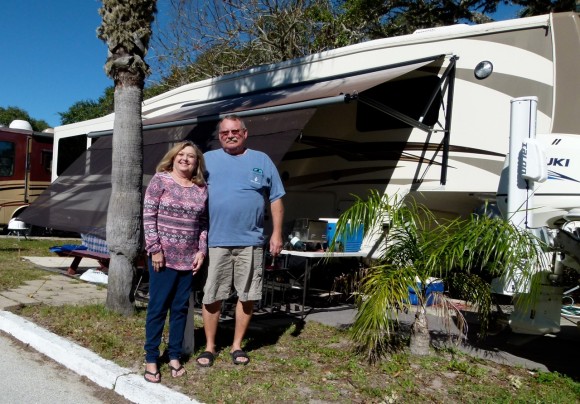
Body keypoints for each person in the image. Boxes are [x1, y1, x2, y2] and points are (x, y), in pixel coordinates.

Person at [197, 114, 284, 367]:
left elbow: (276, 198)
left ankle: (236, 346)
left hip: (251, 241)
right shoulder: (208, 160)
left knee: (247, 295)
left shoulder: (262, 160)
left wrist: (276, 233)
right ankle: (210, 347)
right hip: (216, 240)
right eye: (224, 133)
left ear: (245, 133)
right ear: (219, 136)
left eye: (235, 131)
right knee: (212, 295)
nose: (230, 135)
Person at [143, 141, 208, 383]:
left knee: (180, 310)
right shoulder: (160, 180)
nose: (185, 159)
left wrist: (201, 251)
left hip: (188, 260)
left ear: (196, 162)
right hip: (163, 258)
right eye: (181, 154)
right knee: (158, 308)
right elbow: (149, 215)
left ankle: (174, 356)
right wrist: (154, 249)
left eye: (191, 156)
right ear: (173, 157)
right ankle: (151, 358)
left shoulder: (201, 188)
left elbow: (203, 224)